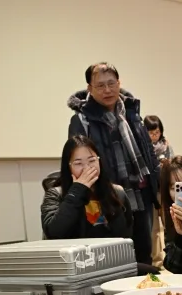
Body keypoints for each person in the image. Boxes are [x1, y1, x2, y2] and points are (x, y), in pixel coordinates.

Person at [67, 62, 160, 266]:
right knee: (117, 257)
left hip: (140, 193)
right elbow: (78, 159)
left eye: (111, 83)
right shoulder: (82, 120)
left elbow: (147, 151)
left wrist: (157, 184)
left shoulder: (132, 113)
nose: (107, 90)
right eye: (100, 86)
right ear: (89, 88)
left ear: (119, 83)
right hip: (109, 197)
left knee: (145, 254)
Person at [41, 135, 132, 241]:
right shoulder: (55, 194)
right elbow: (54, 233)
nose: (87, 168)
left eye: (92, 160)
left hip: (112, 255)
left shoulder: (117, 193)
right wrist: (77, 190)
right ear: (68, 167)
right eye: (78, 163)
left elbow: (129, 235)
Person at [144, 115, 173, 270]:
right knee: (155, 227)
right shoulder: (143, 147)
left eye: (157, 132)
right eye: (151, 132)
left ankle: (170, 258)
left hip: (165, 189)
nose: (154, 136)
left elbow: (173, 165)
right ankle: (157, 261)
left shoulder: (166, 145)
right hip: (151, 191)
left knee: (169, 223)